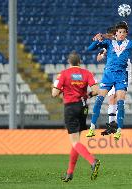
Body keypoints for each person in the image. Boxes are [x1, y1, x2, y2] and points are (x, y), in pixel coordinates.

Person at [86, 22, 132, 140]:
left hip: (121, 76)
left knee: (120, 102)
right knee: (99, 99)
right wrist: (97, 40)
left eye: (123, 32)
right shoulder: (109, 43)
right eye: (119, 32)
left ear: (126, 34)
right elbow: (90, 49)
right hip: (108, 75)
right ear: (116, 33)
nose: (121, 34)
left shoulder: (129, 43)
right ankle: (92, 128)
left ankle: (118, 130)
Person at [52, 51, 100, 182]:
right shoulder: (87, 73)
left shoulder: (63, 74)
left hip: (71, 107)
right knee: (76, 142)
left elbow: (54, 93)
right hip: (83, 107)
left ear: (69, 62)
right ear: (79, 62)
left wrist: (62, 88)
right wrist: (87, 95)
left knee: (74, 142)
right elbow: (96, 90)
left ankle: (92, 161)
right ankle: (70, 173)